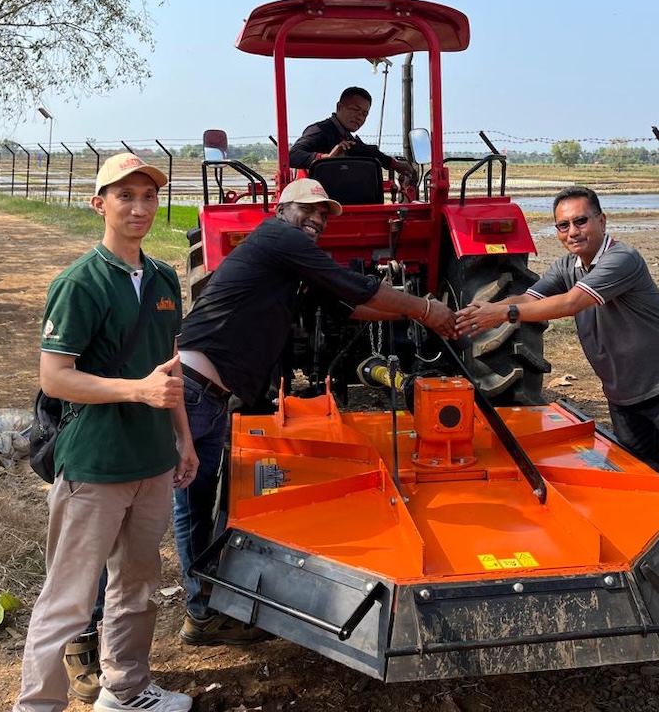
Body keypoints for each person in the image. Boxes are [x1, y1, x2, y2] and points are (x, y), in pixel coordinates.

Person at [172, 178, 456, 645]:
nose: (318, 220)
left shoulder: (288, 260)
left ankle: (203, 610)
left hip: (211, 396)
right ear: (283, 208)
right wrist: (426, 307)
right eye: (309, 209)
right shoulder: (277, 236)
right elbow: (359, 287)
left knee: (201, 505)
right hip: (190, 389)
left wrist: (413, 314)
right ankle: (173, 614)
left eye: (323, 215)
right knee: (178, 507)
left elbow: (348, 306)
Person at [14, 153, 199, 712]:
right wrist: (133, 391)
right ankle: (38, 705)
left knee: (138, 589)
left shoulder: (166, 278)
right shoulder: (79, 283)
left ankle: (126, 690)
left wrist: (183, 440)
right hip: (95, 464)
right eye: (125, 196)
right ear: (100, 204)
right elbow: (56, 377)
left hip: (152, 463)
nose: (139, 207)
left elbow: (170, 368)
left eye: (148, 196)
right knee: (68, 600)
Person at [454, 186, 659, 517]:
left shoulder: (621, 259)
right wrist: (484, 310)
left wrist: (502, 314)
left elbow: (570, 303)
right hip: (623, 394)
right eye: (563, 225)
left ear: (602, 220)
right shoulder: (568, 266)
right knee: (641, 479)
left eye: (581, 221)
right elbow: (528, 299)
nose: (572, 232)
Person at [288, 86, 416, 181]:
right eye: (355, 110)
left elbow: (367, 151)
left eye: (364, 114)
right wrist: (325, 159)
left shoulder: (347, 137)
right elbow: (292, 156)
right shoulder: (320, 131)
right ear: (339, 107)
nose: (359, 117)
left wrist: (394, 164)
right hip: (313, 201)